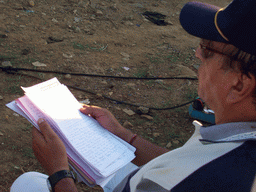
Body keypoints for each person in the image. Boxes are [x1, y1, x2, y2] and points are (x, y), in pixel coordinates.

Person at [11, 0, 256, 191]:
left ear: (239, 85)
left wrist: (59, 174)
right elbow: (191, 162)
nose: (197, 54)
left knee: (29, 183)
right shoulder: (234, 143)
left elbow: (191, 173)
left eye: (207, 49)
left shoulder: (203, 180)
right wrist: (126, 137)